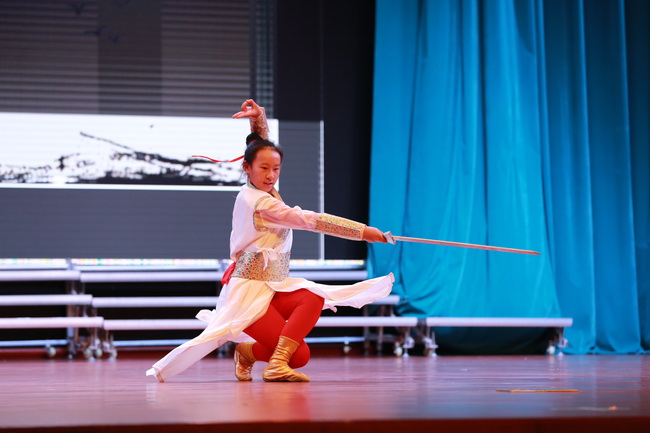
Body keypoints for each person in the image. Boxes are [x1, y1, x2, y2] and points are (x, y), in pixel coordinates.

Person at [146, 99, 394, 382]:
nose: (271, 175)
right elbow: (311, 220)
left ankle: (261, 358)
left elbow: (258, 146)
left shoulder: (261, 190)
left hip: (272, 287)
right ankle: (266, 359)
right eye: (264, 168)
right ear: (247, 167)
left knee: (312, 297)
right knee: (300, 356)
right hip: (249, 293)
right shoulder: (261, 203)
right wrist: (363, 231)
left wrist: (258, 119)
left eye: (276, 169)